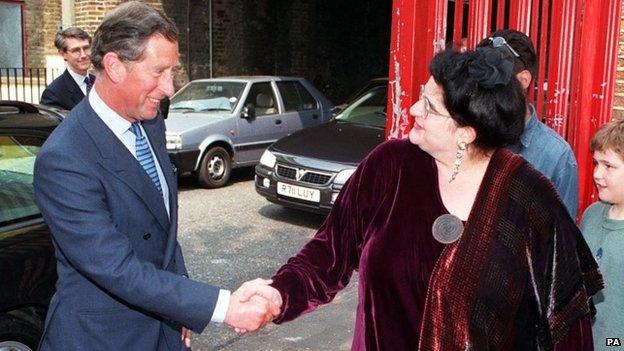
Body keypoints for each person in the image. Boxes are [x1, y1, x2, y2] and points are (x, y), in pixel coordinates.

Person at [239, 46, 603, 350]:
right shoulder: (389, 166)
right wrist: (278, 295)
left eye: (429, 106)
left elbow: (567, 320)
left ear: (465, 132)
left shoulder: (531, 199)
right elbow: (328, 253)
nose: (413, 110)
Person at [33, 3, 277, 350]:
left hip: (165, 330)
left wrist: (181, 309)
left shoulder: (151, 123)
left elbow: (161, 235)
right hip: (102, 340)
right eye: (159, 72)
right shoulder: (64, 158)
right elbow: (117, 267)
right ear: (115, 66)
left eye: (172, 71)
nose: (169, 87)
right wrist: (224, 307)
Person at [477, 29, 579, 218]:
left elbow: (563, 238)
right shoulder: (468, 134)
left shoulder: (556, 156)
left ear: (523, 80)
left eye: (496, 76)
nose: (486, 87)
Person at [580, 119, 624, 349]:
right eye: (596, 163)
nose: (597, 174)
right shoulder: (591, 215)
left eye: (608, 166)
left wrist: (612, 345)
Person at [40, 27, 96, 110]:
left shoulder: (98, 82)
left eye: (86, 48)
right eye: (76, 50)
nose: (83, 55)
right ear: (63, 54)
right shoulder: (54, 94)